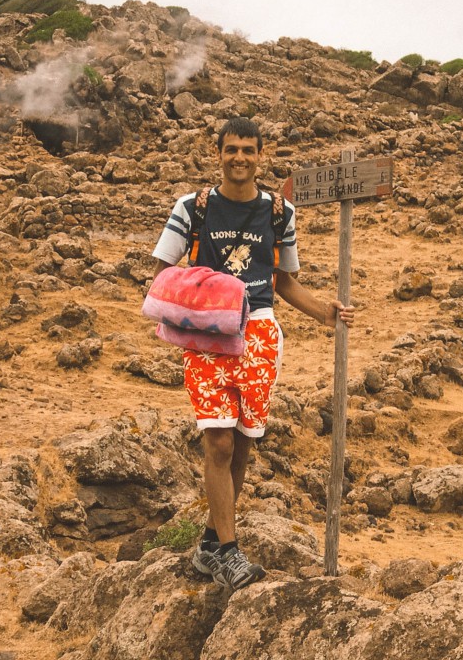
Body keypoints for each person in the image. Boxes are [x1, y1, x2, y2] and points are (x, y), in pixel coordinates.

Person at [151, 117, 356, 590]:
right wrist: (192, 305)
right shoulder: (193, 208)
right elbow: (163, 269)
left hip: (260, 333)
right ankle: (227, 550)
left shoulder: (279, 213)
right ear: (218, 153)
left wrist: (324, 312)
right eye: (231, 149)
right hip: (206, 336)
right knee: (218, 441)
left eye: (248, 149)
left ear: (261, 154)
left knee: (243, 442)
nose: (239, 158)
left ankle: (210, 545)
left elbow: (284, 280)